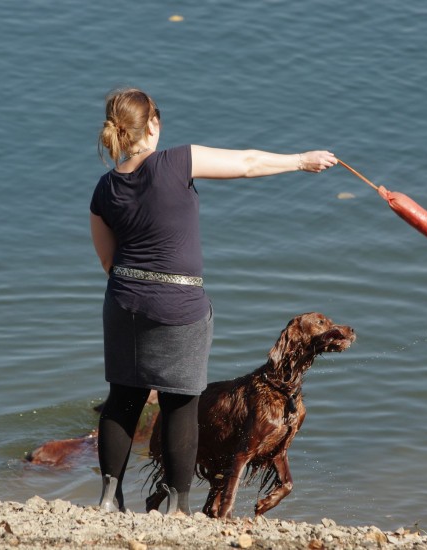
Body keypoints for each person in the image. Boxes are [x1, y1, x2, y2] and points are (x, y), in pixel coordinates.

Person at [90, 87, 336, 514]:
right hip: (179, 304)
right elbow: (247, 163)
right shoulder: (177, 161)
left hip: (124, 302)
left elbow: (108, 261)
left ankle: (109, 500)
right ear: (153, 125)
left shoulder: (105, 187)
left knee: (123, 400)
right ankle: (178, 505)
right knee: (180, 403)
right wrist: (301, 160)